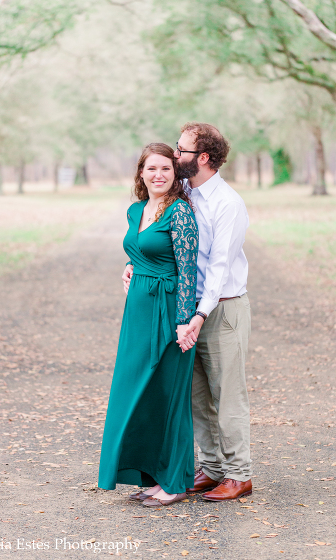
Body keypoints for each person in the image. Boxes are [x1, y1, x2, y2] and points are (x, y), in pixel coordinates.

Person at [98, 142, 199, 507]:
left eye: (166, 169)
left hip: (171, 310)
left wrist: (185, 322)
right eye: (151, 168)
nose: (158, 175)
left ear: (175, 175)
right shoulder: (135, 210)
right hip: (138, 313)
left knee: (169, 396)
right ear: (141, 172)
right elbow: (139, 250)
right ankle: (153, 475)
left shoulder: (181, 213)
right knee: (139, 394)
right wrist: (131, 268)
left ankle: (173, 481)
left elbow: (189, 271)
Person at [175, 122, 253, 501]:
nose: (175, 156)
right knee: (197, 395)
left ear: (202, 158)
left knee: (228, 395)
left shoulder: (228, 204)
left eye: (181, 150)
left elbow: (219, 267)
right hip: (191, 311)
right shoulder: (184, 192)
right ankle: (212, 468)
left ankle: (240, 475)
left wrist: (200, 315)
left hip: (222, 311)